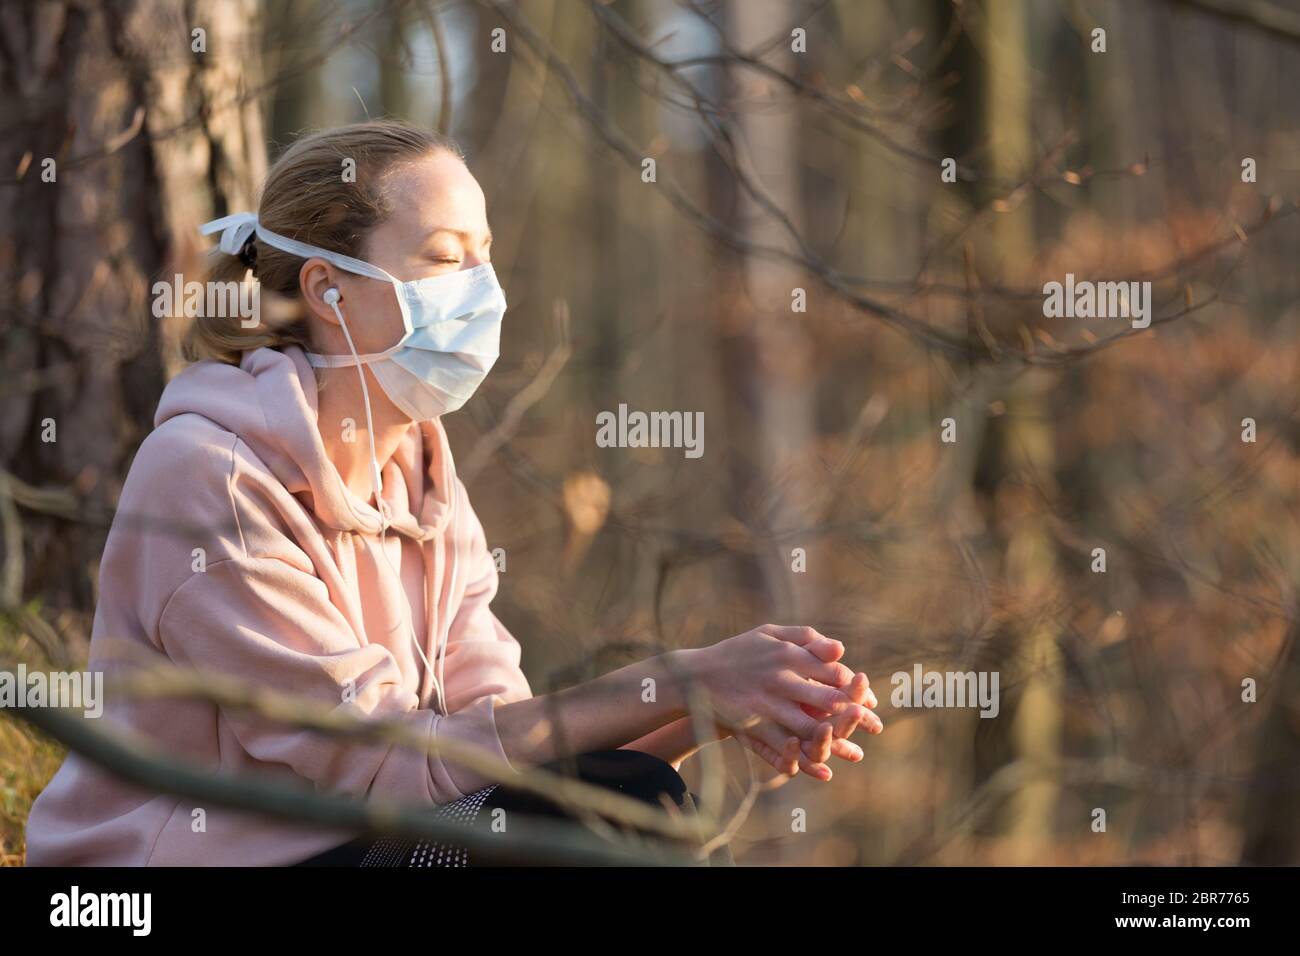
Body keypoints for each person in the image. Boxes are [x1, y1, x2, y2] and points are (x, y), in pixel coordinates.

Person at [24, 120, 882, 867]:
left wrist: (721, 708)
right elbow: (385, 758)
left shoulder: (424, 480)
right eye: (444, 259)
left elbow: (503, 746)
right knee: (601, 806)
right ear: (329, 290)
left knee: (620, 794)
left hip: (352, 843)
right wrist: (687, 674)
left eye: (484, 257)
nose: (482, 291)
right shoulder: (211, 473)